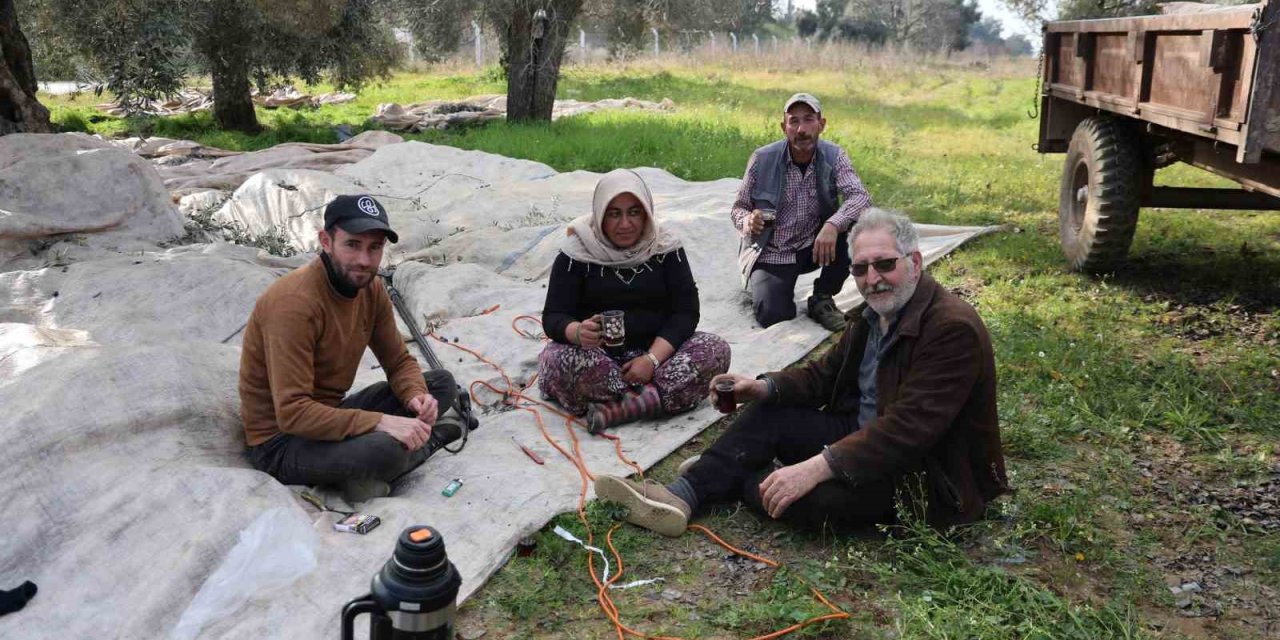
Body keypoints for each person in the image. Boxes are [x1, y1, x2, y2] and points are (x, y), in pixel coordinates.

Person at [596, 209, 1008, 535]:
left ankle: (728, 470)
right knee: (770, 412)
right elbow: (823, 377)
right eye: (861, 269)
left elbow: (907, 431)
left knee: (813, 503)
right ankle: (681, 496)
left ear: (914, 262)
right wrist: (760, 387)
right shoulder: (875, 313)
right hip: (859, 435)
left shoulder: (951, 329)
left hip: (925, 473)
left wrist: (819, 466)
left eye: (884, 264)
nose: (872, 279)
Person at [239, 195, 465, 502]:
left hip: (329, 414)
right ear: (326, 241)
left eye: (375, 248)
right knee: (385, 450)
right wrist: (382, 422)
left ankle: (372, 466)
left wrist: (415, 396)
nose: (364, 260)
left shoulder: (370, 289)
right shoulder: (293, 304)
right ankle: (424, 443)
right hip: (281, 441)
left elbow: (398, 361)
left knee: (440, 382)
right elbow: (292, 414)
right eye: (353, 245)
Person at [539, 169, 731, 434]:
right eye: (614, 213)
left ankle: (622, 406)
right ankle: (653, 398)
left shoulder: (666, 249)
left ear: (646, 213)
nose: (625, 224)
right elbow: (553, 316)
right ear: (599, 214)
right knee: (557, 359)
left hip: (657, 355)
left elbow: (686, 312)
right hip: (598, 358)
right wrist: (577, 332)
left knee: (714, 349)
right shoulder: (575, 254)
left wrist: (651, 360)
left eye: (634, 212)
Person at [732, 92, 874, 331]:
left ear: (822, 124)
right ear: (783, 127)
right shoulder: (762, 158)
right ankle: (767, 285)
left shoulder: (833, 155)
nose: (802, 129)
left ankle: (822, 296)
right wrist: (748, 221)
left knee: (860, 225)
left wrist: (832, 225)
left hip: (814, 245)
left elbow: (860, 196)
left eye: (808, 119)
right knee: (774, 315)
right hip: (773, 252)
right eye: (794, 121)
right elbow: (738, 208)